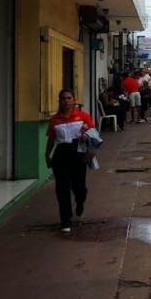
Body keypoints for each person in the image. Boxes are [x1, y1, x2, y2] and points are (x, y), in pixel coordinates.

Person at [45, 89, 95, 232]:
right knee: (62, 188)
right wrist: (47, 156)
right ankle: (65, 220)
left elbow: (94, 132)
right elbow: (51, 140)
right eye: (63, 99)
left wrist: (87, 134)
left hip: (78, 154)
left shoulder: (83, 116)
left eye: (69, 98)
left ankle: (80, 202)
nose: (66, 101)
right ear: (59, 101)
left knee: (80, 187)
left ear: (74, 100)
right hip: (61, 155)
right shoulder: (54, 120)